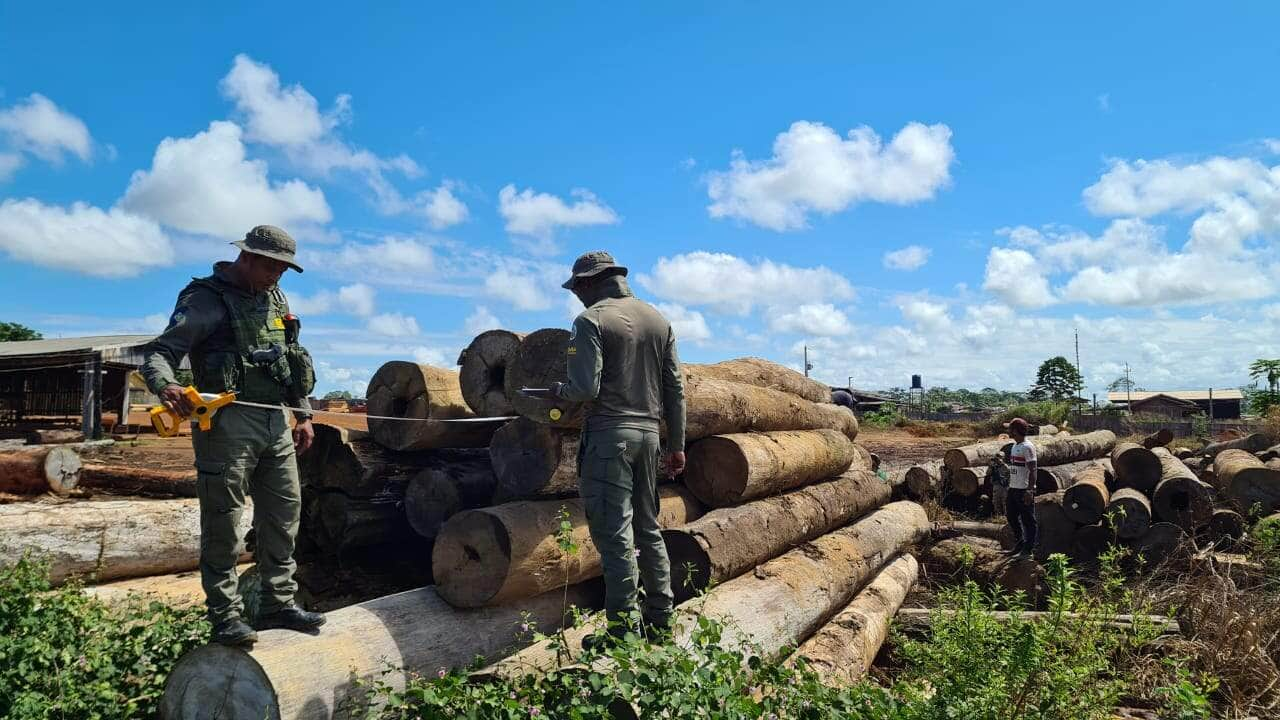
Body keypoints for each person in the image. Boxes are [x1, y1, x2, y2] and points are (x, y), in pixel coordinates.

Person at [142, 225, 325, 646]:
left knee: (284, 514)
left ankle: (279, 602)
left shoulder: (276, 299)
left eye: (284, 268)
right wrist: (166, 386)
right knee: (223, 520)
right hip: (225, 423)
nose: (277, 275)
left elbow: (290, 360)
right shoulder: (206, 297)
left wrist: (303, 414)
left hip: (274, 421)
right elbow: (161, 352)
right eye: (271, 265)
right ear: (247, 257)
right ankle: (225, 616)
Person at [549, 250, 686, 646]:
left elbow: (585, 389)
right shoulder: (658, 320)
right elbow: (675, 389)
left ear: (589, 283)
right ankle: (661, 621)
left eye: (577, 288)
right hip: (649, 438)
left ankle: (623, 634)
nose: (576, 296)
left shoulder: (590, 321)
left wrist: (559, 391)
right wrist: (676, 444)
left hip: (610, 438)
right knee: (648, 529)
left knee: (614, 536)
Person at [1005, 417, 1038, 557]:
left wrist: (1030, 490)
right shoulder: (1014, 446)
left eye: (1010, 429)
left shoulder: (1027, 447)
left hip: (1023, 489)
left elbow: (1033, 469)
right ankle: (1019, 544)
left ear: (1016, 430)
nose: (1008, 431)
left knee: (1028, 520)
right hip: (1013, 488)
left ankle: (1028, 550)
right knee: (1011, 516)